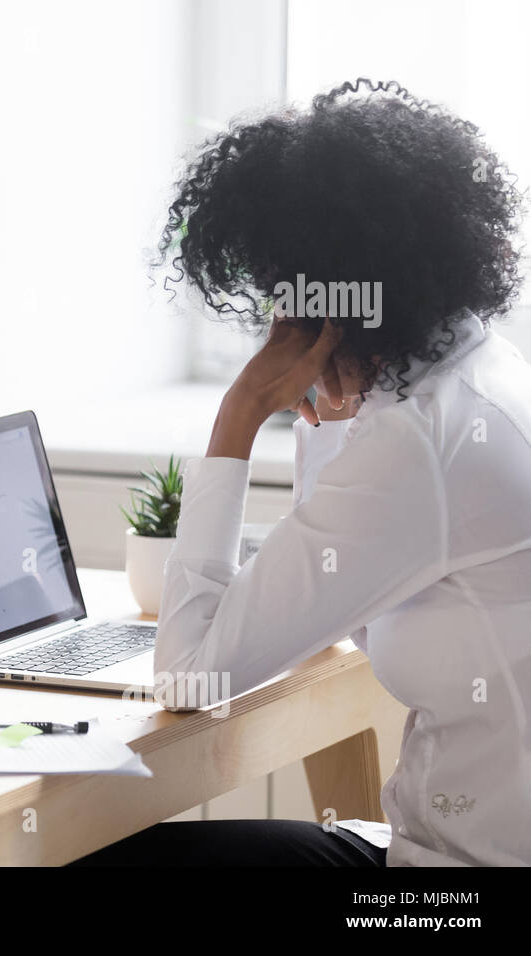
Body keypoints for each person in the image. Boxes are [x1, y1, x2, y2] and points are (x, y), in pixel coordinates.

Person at [73, 79, 531, 867]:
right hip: (441, 856)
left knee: (92, 858)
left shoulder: (417, 445)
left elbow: (189, 676)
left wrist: (243, 410)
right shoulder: (480, 372)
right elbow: (347, 598)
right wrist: (328, 404)